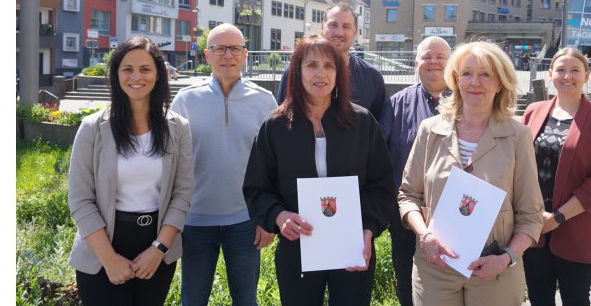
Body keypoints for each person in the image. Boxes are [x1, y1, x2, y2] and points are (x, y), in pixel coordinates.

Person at [243, 34, 394, 305]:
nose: (320, 74)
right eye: (312, 65)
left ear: (339, 74)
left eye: (329, 66)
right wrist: (278, 216)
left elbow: (381, 185)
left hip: (352, 244)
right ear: (297, 72)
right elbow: (256, 187)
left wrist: (368, 230)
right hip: (298, 243)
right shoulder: (275, 126)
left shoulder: (362, 122)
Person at [398, 41, 543, 306]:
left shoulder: (517, 136)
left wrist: (507, 257)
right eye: (466, 73)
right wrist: (425, 235)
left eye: (485, 74)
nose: (475, 82)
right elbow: (407, 195)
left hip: (495, 269)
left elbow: (531, 215)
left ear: (500, 82)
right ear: (455, 79)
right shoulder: (430, 130)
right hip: (436, 268)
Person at [67, 36, 194, 305]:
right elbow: (80, 199)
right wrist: (109, 260)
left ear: (159, 74)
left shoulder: (178, 127)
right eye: (127, 69)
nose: (136, 76)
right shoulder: (92, 127)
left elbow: (182, 194)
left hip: (156, 245)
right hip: (103, 245)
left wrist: (159, 249)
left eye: (145, 69)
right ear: (116, 74)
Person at [170, 24, 278, 306]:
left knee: (246, 300)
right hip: (194, 222)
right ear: (207, 55)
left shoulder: (264, 101)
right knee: (193, 300)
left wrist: (268, 219)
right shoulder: (185, 100)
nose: (227, 55)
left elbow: (275, 166)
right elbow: (171, 162)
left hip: (245, 221)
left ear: (245, 55)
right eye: (219, 48)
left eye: (234, 49)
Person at [521, 48, 591, 306]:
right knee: (538, 298)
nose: (568, 76)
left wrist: (557, 218)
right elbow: (518, 165)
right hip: (534, 228)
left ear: (586, 75)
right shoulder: (533, 111)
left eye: (575, 70)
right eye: (561, 70)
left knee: (576, 299)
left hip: (576, 228)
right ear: (550, 73)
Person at [379, 36, 452, 306]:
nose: (433, 62)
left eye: (440, 57)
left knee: (452, 285)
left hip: (457, 217)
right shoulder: (396, 104)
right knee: (407, 286)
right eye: (427, 57)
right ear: (416, 63)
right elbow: (381, 160)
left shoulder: (469, 101)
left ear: (451, 62)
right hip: (407, 220)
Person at [277, 2, 386, 121]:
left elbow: (378, 130)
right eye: (333, 25)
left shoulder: (372, 76)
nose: (339, 33)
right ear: (322, 27)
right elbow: (284, 119)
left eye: (346, 26)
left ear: (354, 32)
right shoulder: (296, 71)